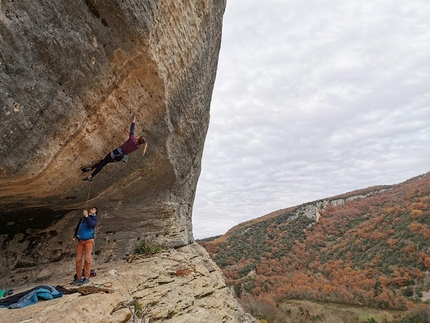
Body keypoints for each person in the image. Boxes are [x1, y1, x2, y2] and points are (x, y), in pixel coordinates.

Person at [81, 115, 147, 181]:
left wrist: (134, 120)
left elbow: (132, 128)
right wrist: (128, 132)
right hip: (119, 158)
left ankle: (91, 176)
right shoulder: (137, 147)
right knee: (103, 161)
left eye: (138, 137)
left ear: (138, 138)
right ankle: (91, 168)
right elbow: (132, 138)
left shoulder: (132, 139)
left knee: (103, 163)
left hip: (116, 153)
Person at [71, 207, 98, 286]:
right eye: (92, 209)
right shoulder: (82, 218)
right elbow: (78, 228)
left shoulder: (94, 218)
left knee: (87, 258)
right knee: (78, 259)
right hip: (81, 241)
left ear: (95, 212)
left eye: (94, 209)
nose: (92, 209)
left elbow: (91, 225)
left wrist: (87, 216)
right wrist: (75, 236)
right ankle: (78, 278)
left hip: (89, 241)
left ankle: (86, 277)